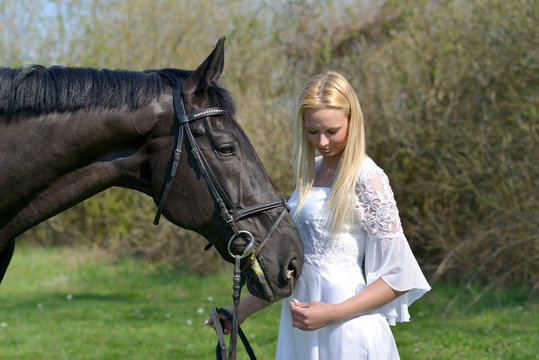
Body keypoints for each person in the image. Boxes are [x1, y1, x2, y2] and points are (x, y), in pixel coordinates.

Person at [205, 71, 431, 359]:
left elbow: (399, 276)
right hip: (301, 328)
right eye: (313, 131)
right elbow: (300, 267)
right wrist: (240, 312)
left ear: (353, 121)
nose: (322, 141)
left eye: (332, 131)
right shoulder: (310, 175)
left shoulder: (367, 178)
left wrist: (332, 314)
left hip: (349, 330)